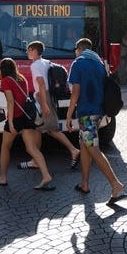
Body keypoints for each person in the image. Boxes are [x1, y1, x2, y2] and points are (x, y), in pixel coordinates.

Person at [66, 38, 127, 205]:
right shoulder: (99, 64)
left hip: (86, 113)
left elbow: (75, 93)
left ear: (79, 49)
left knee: (93, 148)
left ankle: (115, 184)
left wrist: (69, 116)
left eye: (75, 50)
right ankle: (84, 183)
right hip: (98, 111)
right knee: (84, 144)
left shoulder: (78, 63)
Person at [0, 57, 54, 190]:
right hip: (26, 117)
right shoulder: (21, 79)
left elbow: (10, 102)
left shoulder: (6, 81)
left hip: (15, 118)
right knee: (32, 148)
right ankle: (46, 175)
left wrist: (11, 122)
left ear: (2, 69)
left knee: (5, 147)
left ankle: (3, 178)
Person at [16, 41, 79, 170]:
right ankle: (35, 160)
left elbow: (41, 84)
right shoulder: (46, 62)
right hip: (48, 96)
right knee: (39, 128)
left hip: (42, 97)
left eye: (28, 50)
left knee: (50, 128)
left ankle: (73, 150)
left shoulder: (35, 65)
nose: (27, 53)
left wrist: (43, 104)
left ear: (34, 50)